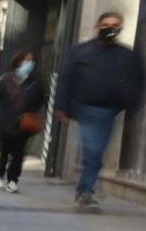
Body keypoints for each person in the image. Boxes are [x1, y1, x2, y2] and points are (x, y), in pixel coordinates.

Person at [56, 11, 145, 208]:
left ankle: (84, 190)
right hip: (84, 109)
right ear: (98, 26)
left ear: (120, 29)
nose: (110, 29)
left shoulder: (127, 55)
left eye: (115, 26)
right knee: (93, 151)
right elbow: (66, 79)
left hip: (110, 111)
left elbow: (137, 81)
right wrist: (61, 106)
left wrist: (130, 103)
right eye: (106, 24)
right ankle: (87, 190)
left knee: (95, 152)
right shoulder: (80, 52)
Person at [0, 50, 45, 194]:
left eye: (32, 61)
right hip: (6, 123)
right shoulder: (5, 80)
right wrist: (5, 111)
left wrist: (31, 110)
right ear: (18, 62)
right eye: (26, 60)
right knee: (4, 151)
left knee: (19, 153)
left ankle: (13, 180)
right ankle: (0, 172)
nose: (29, 63)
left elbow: (41, 99)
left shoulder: (35, 82)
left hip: (24, 124)